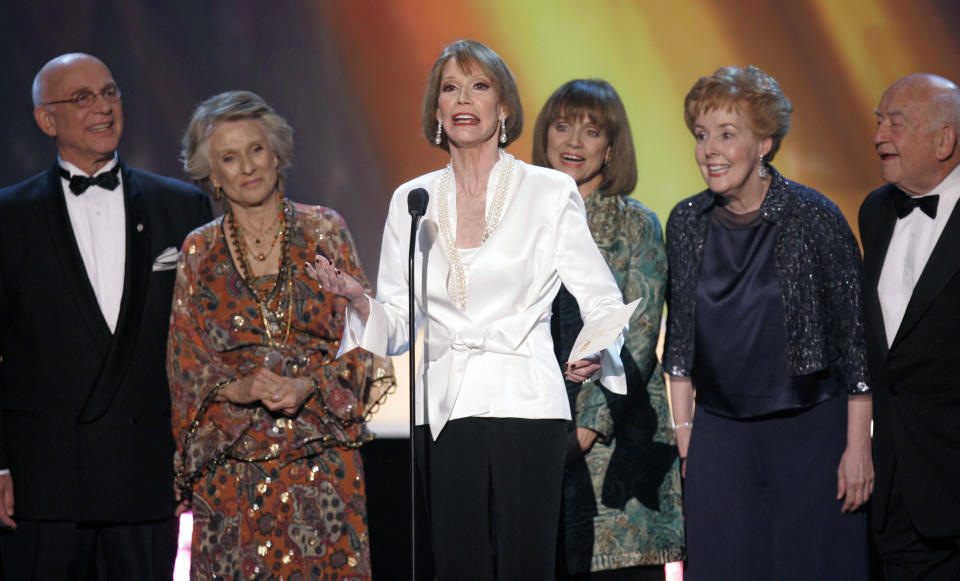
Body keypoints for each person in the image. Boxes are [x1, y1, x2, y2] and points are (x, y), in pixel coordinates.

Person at [306, 40, 627, 580]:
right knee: (459, 567)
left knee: (525, 566)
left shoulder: (548, 191)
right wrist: (359, 300)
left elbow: (602, 299)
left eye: (479, 86)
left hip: (528, 402)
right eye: (450, 88)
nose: (463, 98)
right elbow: (398, 325)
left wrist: (592, 353)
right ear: (436, 112)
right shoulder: (414, 200)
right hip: (447, 410)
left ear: (503, 109)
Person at [0, 53, 212, 580]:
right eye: (82, 98)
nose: (103, 107)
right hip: (43, 481)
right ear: (46, 120)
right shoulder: (8, 217)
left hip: (145, 476)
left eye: (110, 92)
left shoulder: (181, 206)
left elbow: (200, 346)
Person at [170, 90, 395, 580]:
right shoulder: (198, 252)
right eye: (229, 157)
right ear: (212, 174)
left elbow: (366, 339)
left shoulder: (325, 232)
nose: (247, 166)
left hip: (323, 457)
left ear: (276, 155)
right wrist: (240, 386)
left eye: (256, 150)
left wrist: (309, 384)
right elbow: (186, 366)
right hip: (233, 472)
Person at [664, 65, 873, 580]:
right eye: (701, 135)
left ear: (765, 143)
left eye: (727, 135)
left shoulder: (814, 216)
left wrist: (858, 447)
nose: (710, 149)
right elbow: (681, 347)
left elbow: (855, 347)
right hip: (720, 439)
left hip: (810, 433)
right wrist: (690, 447)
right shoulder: (686, 221)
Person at [531, 79, 684, 580]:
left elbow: (639, 335)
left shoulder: (636, 224)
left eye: (591, 131)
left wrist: (587, 428)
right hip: (533, 434)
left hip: (616, 437)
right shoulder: (519, 221)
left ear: (611, 147)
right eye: (562, 126)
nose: (574, 142)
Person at [860, 73, 960, 580]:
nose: (879, 136)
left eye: (895, 124)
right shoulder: (875, 211)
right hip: (894, 482)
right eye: (879, 122)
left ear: (945, 139)